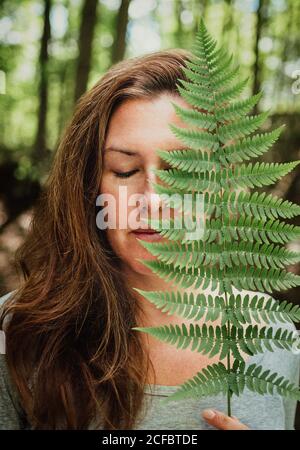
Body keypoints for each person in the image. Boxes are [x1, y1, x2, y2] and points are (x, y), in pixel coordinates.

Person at [0, 49, 299, 430]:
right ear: (89, 186)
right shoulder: (16, 332)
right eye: (125, 170)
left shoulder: (275, 336)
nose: (153, 199)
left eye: (179, 170)